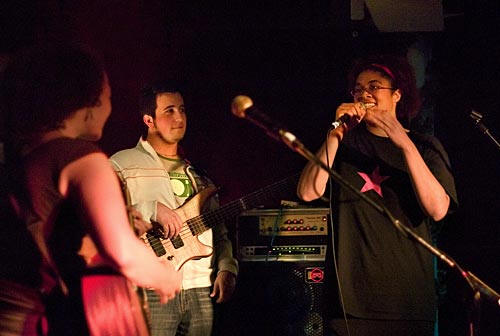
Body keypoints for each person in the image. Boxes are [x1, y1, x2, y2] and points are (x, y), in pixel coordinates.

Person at [0, 43, 181, 335]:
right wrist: (162, 275)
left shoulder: (20, 161)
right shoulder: (79, 156)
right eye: (109, 95)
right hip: (44, 322)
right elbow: (122, 252)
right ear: (90, 101)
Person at [297, 54, 457, 336]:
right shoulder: (342, 144)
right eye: (358, 89)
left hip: (408, 301)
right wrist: (336, 133)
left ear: (397, 95)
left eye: (374, 86)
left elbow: (438, 209)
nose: (364, 94)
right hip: (350, 304)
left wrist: (404, 143)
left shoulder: (424, 146)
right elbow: (308, 192)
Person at [110, 82, 238, 336]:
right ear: (149, 120)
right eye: (169, 111)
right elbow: (104, 219)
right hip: (151, 286)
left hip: (201, 288)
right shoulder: (122, 163)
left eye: (182, 109)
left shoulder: (199, 174)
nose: (179, 117)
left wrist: (227, 266)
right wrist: (150, 209)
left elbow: (218, 231)